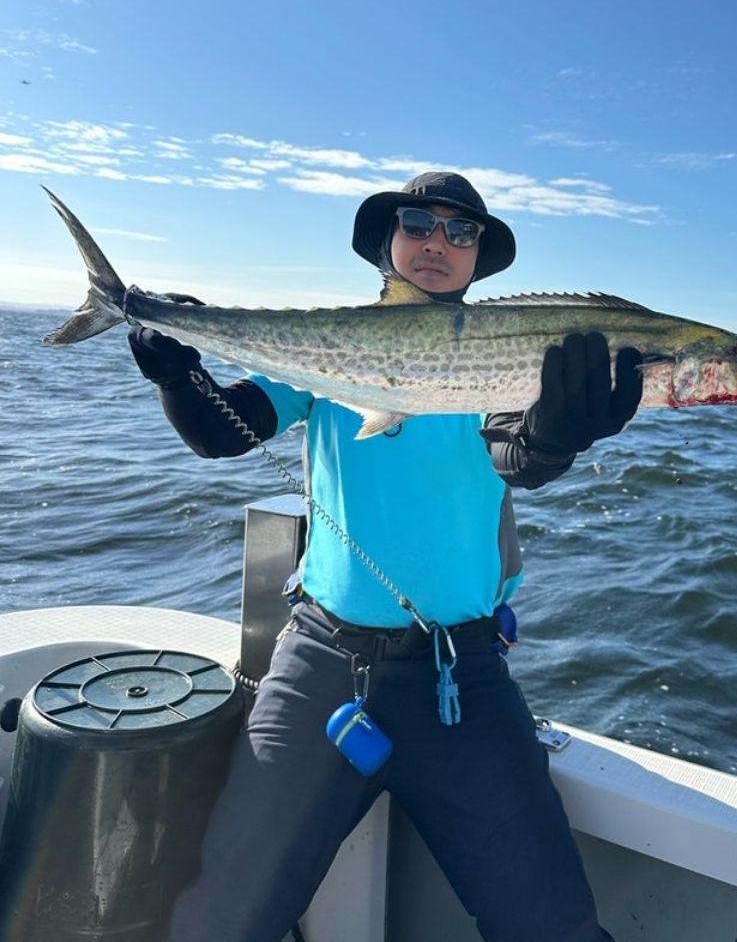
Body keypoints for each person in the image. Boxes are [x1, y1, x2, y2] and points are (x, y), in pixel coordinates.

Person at [129, 171, 643, 942]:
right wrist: (179, 375)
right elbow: (224, 431)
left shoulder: (503, 359)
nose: (438, 243)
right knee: (221, 920)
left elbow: (517, 457)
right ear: (387, 243)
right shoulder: (335, 347)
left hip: (461, 679)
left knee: (553, 926)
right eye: (418, 225)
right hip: (319, 669)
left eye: (461, 233)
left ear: (478, 260)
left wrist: (558, 433)